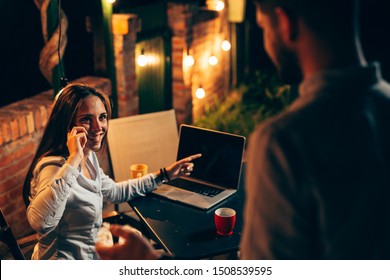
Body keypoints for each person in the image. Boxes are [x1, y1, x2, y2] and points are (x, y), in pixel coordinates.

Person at [94, 0, 390, 260]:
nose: (265, 42)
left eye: (262, 27)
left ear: (285, 24)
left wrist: (151, 265)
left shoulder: (284, 142)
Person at [22, 83, 201, 260]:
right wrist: (74, 159)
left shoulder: (89, 156)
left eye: (102, 117)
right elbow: (41, 223)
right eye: (86, 119)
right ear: (67, 125)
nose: (98, 127)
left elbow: (114, 192)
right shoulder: (53, 167)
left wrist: (165, 174)